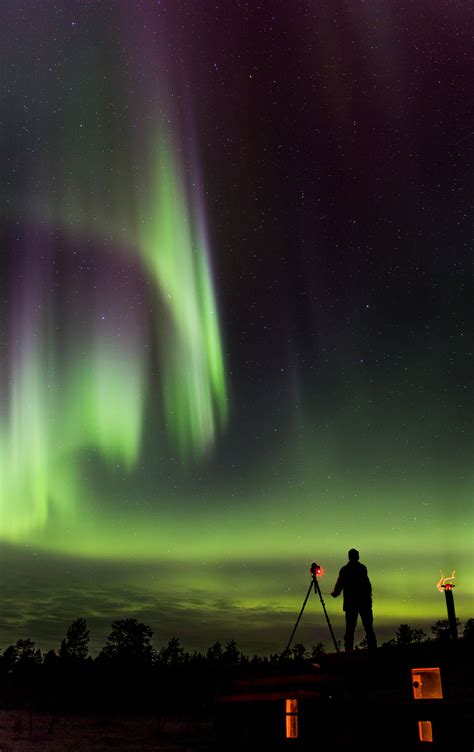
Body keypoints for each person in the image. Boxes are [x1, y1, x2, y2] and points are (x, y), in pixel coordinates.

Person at [331, 548, 377, 651]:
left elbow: (340, 585)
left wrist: (335, 593)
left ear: (349, 557)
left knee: (350, 629)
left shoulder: (344, 570)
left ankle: (349, 651)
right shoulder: (362, 568)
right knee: (368, 627)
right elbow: (367, 584)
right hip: (364, 602)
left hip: (351, 604)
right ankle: (373, 650)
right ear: (358, 556)